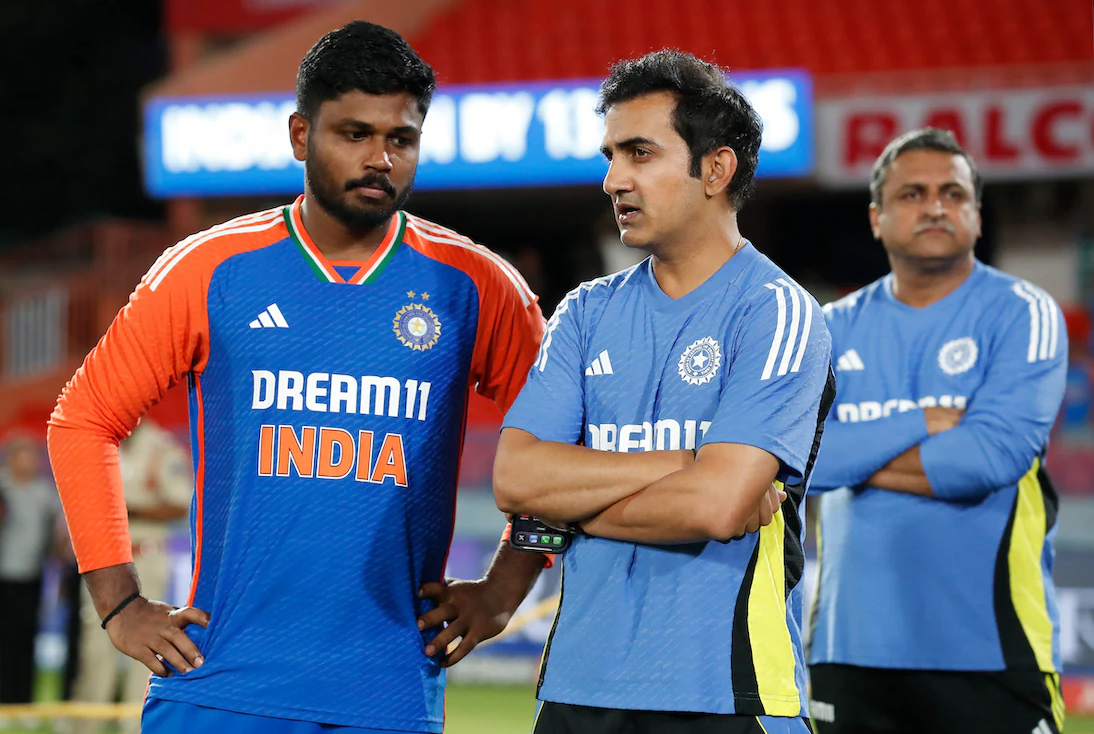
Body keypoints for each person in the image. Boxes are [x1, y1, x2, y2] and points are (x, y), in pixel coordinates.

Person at [47, 21, 547, 734]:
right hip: (217, 685)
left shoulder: (475, 285)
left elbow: (568, 441)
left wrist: (503, 591)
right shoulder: (211, 269)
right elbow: (82, 421)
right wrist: (120, 603)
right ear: (299, 135)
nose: (379, 158)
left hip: (390, 695)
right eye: (353, 133)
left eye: (400, 139)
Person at [493, 50, 833, 734]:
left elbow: (715, 505)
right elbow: (515, 479)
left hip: (725, 696)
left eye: (640, 152)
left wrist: (572, 505)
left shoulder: (777, 311)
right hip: (576, 695)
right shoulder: (585, 312)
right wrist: (684, 465)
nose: (613, 178)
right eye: (611, 155)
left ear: (716, 169)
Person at [806, 128, 1069, 734]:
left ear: (977, 216)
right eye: (913, 194)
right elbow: (795, 460)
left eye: (954, 193)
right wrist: (921, 422)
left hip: (991, 646)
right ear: (876, 218)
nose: (934, 206)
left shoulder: (1022, 312)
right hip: (850, 649)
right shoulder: (828, 329)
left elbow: (985, 459)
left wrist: (848, 455)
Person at [71, 418, 192, 733]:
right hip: (102, 559)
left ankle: (134, 725)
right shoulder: (97, 438)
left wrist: (126, 510)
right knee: (95, 650)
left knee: (146, 646)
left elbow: (181, 503)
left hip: (145, 553)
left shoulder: (161, 447)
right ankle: (87, 725)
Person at [0, 433, 61, 703]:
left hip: (30, 576)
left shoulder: (44, 492)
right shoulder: (3, 487)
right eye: (23, 455)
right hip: (3, 574)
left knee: (24, 638)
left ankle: (21, 701)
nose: (30, 462)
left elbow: (56, 534)